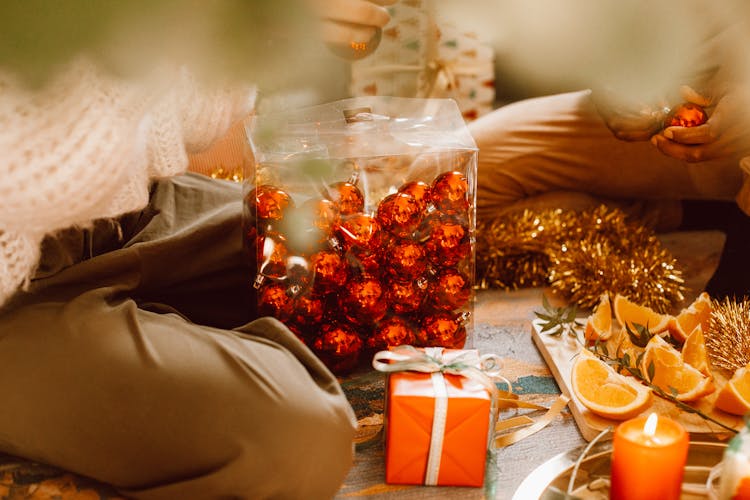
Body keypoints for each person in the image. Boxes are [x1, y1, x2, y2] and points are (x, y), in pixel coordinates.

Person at [0, 1, 393, 498]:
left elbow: (156, 101)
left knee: (357, 260)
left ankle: (154, 337)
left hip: (119, 212)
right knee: (294, 438)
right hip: (12, 276)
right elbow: (41, 163)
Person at [469, 13, 750, 297]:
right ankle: (692, 212)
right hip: (663, 108)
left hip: (740, 116)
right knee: (461, 180)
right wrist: (606, 86)